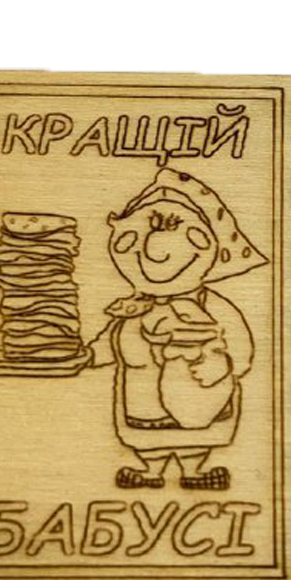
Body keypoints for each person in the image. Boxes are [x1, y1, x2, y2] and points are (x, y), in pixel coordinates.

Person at [89, 167, 268, 490]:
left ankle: (193, 470)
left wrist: (229, 366)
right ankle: (151, 470)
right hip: (142, 402)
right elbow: (110, 342)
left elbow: (239, 341)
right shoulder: (133, 308)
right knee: (148, 438)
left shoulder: (212, 305)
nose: (154, 247)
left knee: (195, 436)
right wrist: (89, 355)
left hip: (201, 391)